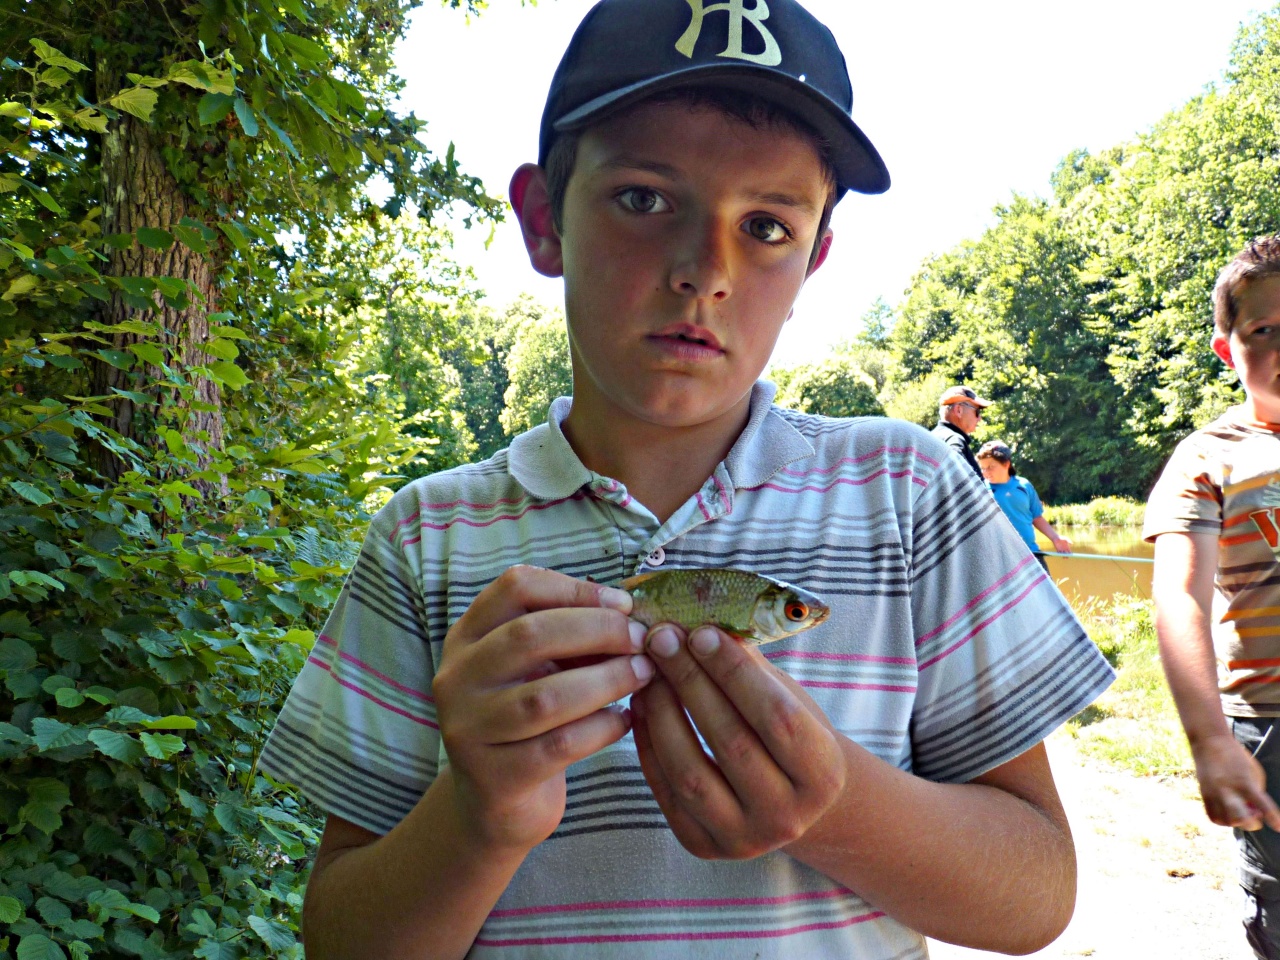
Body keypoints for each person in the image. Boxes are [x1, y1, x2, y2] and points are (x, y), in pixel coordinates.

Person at [259, 3, 1114, 957]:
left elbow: (1038, 895)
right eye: (643, 198)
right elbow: (341, 940)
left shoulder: (907, 490)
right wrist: (478, 817)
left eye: (765, 225)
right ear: (545, 220)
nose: (705, 271)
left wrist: (835, 808)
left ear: (815, 259)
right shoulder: (430, 539)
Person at [1145, 235, 1280, 960]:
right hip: (1269, 725)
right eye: (1266, 329)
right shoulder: (1209, 456)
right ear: (1228, 350)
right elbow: (1180, 598)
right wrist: (1209, 741)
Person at [977, 440, 1072, 571]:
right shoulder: (980, 490)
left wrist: (1056, 538)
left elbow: (1036, 517)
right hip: (998, 558)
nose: (986, 472)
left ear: (1006, 464)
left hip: (1030, 553)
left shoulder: (1024, 485)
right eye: (982, 468)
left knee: (1046, 590)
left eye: (991, 467)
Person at [931, 385, 991, 481]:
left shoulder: (931, 437)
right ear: (959, 410)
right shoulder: (954, 440)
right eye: (977, 412)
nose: (979, 419)